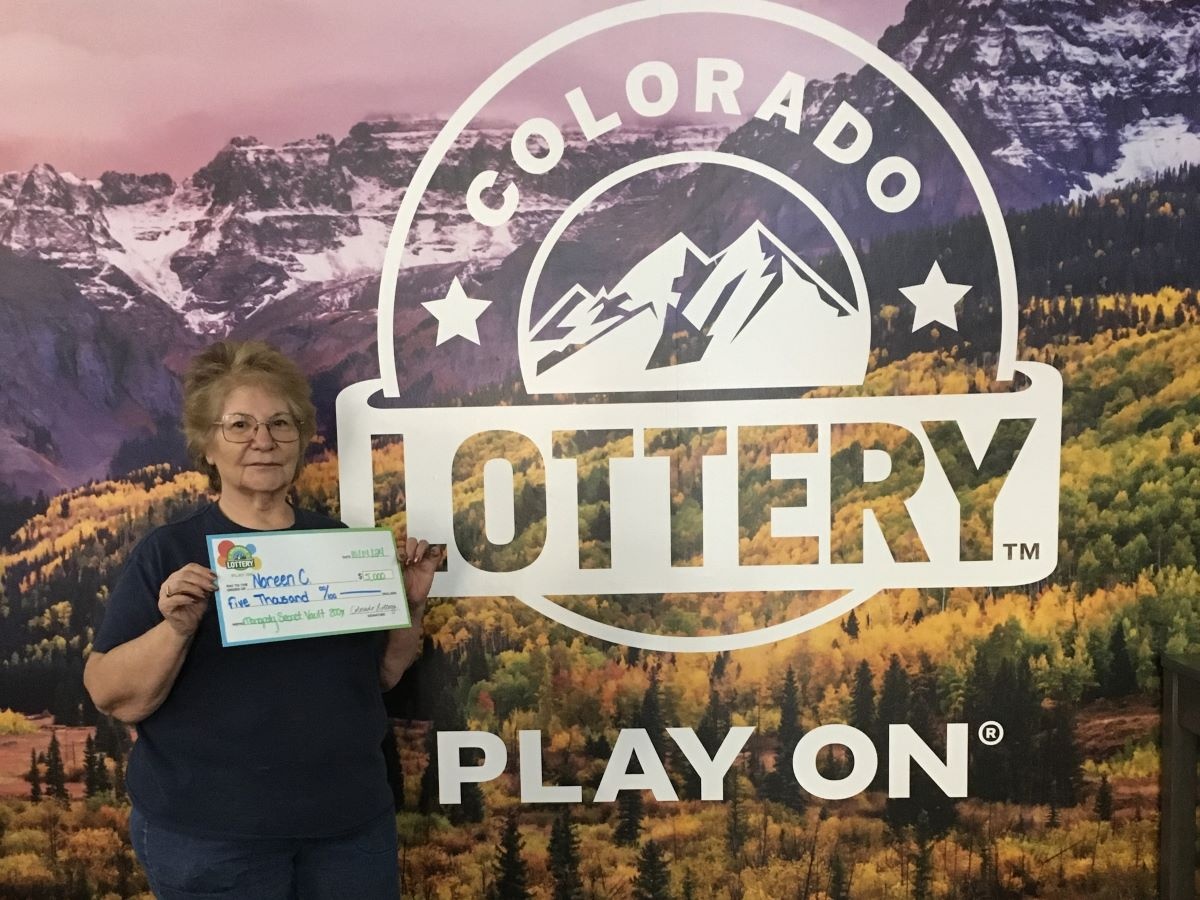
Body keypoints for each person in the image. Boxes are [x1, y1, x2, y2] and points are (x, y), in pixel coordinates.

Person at [84, 340, 437, 899]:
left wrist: (410, 605)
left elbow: (382, 677)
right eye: (240, 425)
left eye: (281, 423)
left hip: (349, 830)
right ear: (207, 445)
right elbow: (112, 694)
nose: (264, 441)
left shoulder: (342, 549)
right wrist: (177, 627)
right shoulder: (168, 552)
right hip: (213, 839)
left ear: (301, 439)